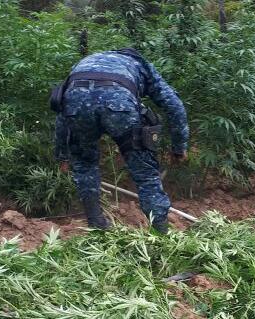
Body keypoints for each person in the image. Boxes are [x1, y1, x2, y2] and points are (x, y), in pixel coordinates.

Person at [51, 48, 188, 232]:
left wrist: (62, 155)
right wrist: (179, 147)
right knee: (145, 174)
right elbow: (174, 106)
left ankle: (97, 225)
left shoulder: (85, 63)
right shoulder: (142, 65)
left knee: (84, 164)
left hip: (76, 103)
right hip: (119, 104)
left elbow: (62, 112)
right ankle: (160, 233)